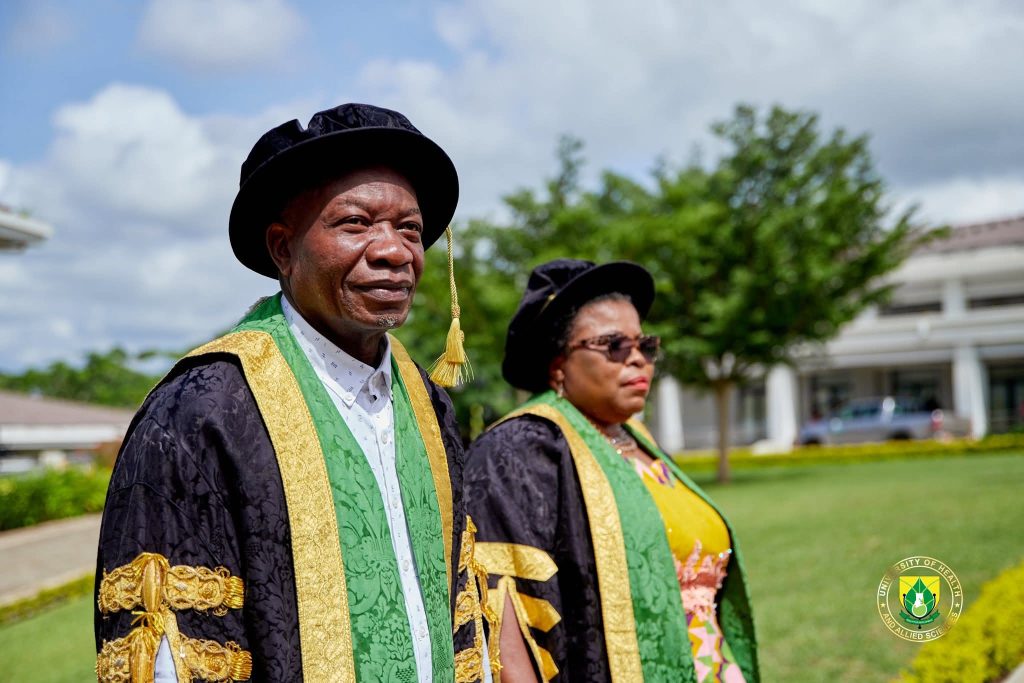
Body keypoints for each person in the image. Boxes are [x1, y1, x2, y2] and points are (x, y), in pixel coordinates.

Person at [94, 104, 491, 683]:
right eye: (355, 223)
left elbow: (460, 609)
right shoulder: (206, 407)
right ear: (283, 249)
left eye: (410, 229)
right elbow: (170, 656)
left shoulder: (428, 405)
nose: (394, 251)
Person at [465, 259, 759, 683]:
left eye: (645, 345)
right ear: (559, 363)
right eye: (614, 345)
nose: (637, 359)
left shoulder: (641, 440)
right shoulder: (520, 447)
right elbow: (499, 613)